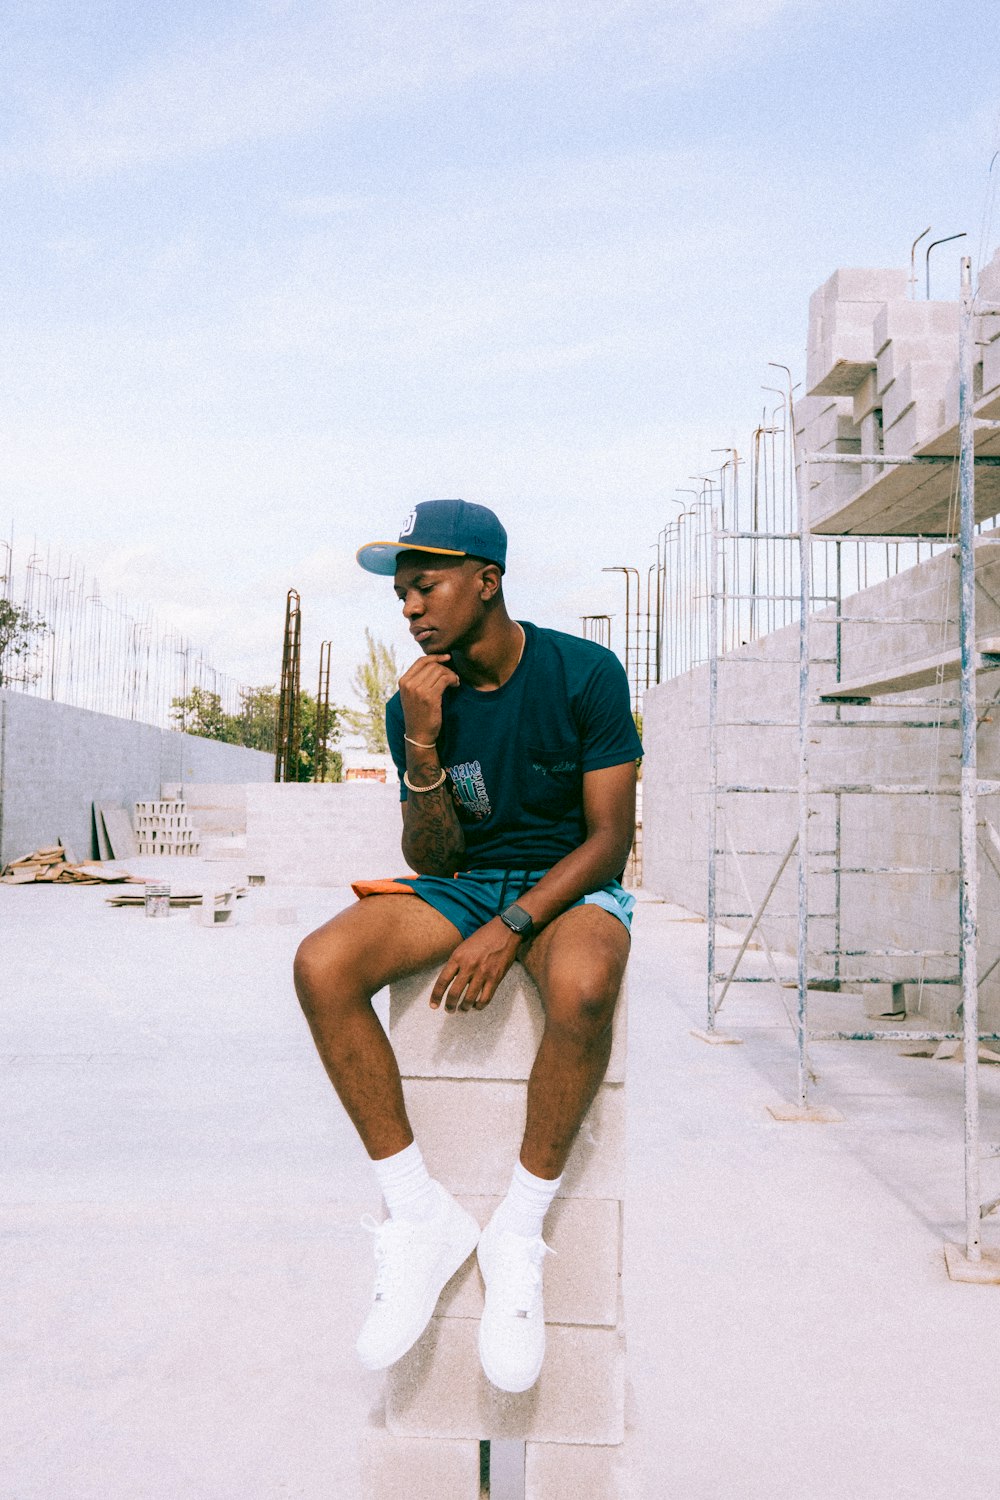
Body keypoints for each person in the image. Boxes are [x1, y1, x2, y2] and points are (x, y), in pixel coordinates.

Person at [293, 498, 642, 1393]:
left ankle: (518, 1231)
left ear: (487, 581)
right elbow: (431, 854)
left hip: (568, 882)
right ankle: (420, 1216)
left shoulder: (584, 672)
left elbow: (610, 839)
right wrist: (419, 741)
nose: (410, 609)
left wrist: (513, 926)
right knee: (321, 964)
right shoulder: (414, 697)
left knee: (587, 988)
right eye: (402, 595)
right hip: (464, 882)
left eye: (427, 586)